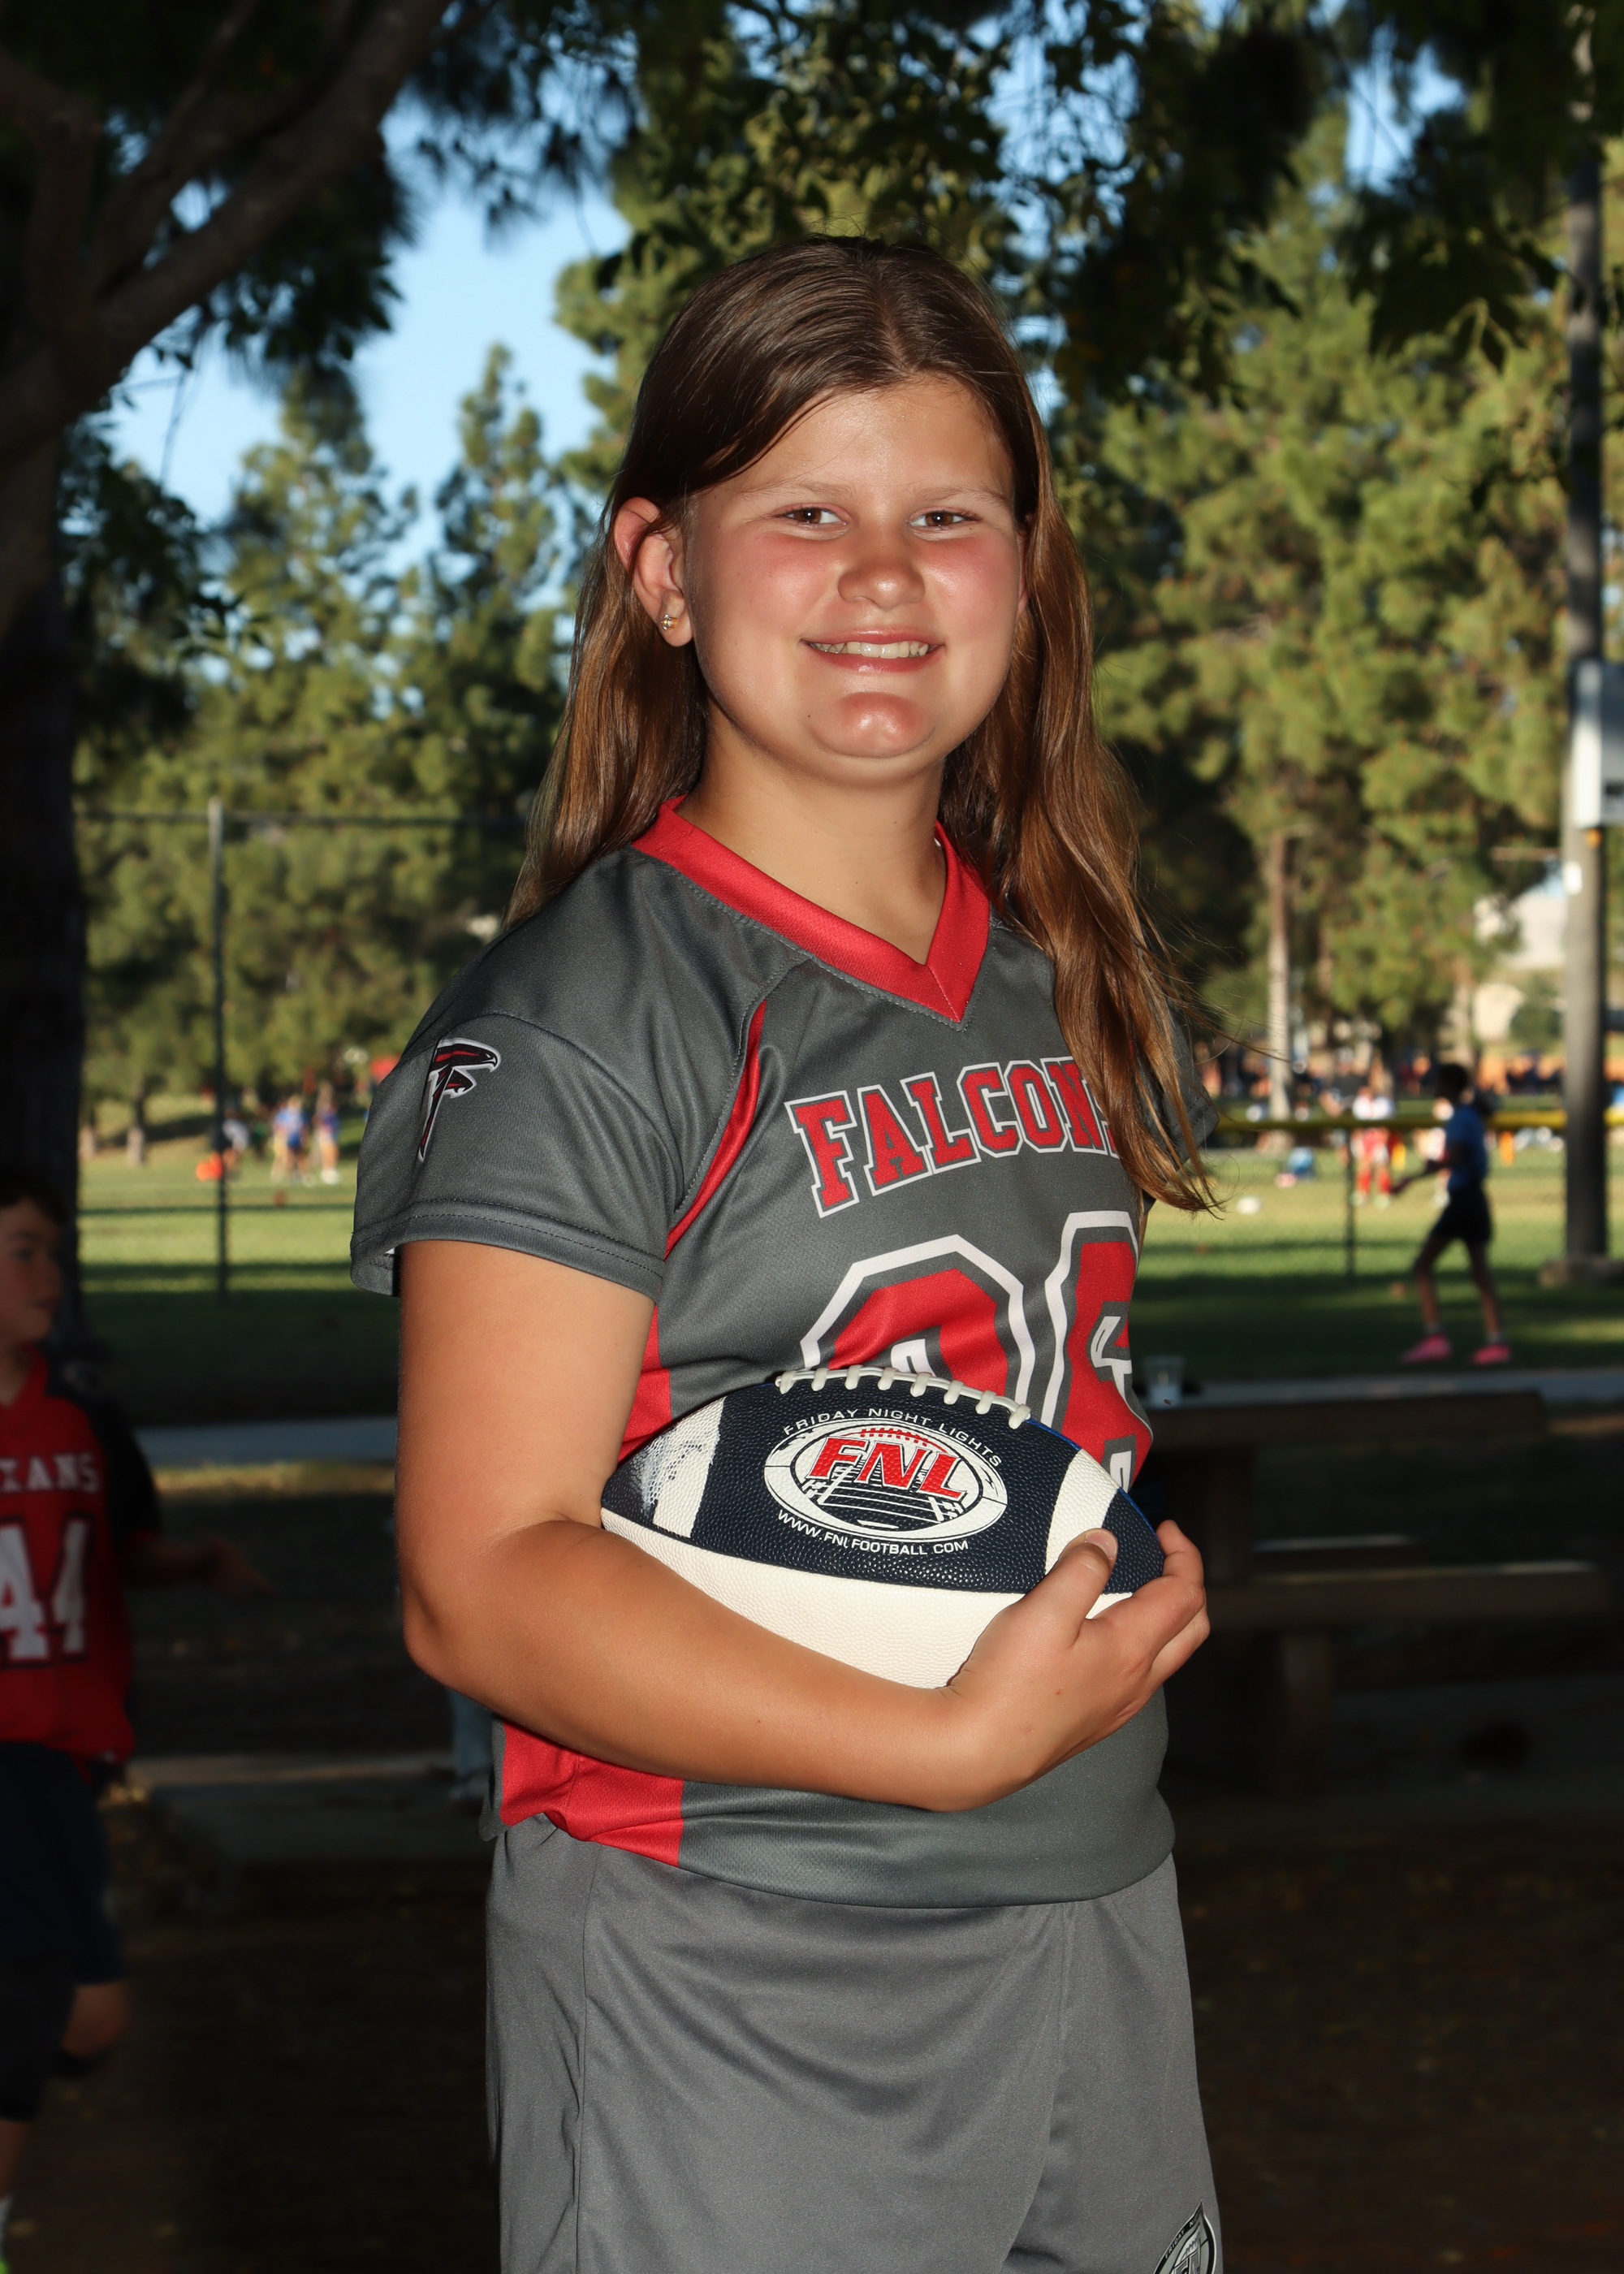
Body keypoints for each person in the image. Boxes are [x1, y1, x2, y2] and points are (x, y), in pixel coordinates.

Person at [353, 240, 1217, 2274]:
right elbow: (478, 1580)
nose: (883, 577)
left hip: (1097, 1895)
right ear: (661, 571)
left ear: (1026, 571)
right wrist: (941, 1742)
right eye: (805, 514)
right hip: (735, 1955)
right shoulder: (586, 1020)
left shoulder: (1058, 971)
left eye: (948, 517)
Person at [0, 1169, 268, 2270]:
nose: (48, 1273)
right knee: (30, 2002)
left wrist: (193, 1563)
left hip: (68, 1762)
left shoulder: (83, 1419)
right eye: (21, 1249)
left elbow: (119, 1550)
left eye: (53, 1250)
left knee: (90, 2018)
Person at [1397, 1065, 1510, 1365]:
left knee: (1422, 1266)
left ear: (1448, 1084)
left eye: (1437, 1081)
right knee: (1480, 1273)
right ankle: (1497, 1342)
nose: (1433, 1086)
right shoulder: (1469, 1114)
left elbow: (1455, 1157)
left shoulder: (1461, 1117)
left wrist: (1414, 1177)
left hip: (1463, 1201)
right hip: (1474, 1199)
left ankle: (1435, 1338)